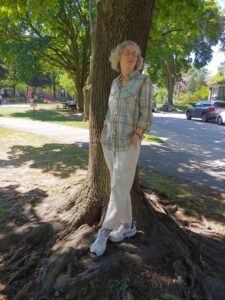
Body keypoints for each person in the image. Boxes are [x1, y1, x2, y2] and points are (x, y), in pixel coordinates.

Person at [90, 40, 153, 256]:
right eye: (127, 52)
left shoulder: (143, 81)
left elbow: (146, 113)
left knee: (117, 186)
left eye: (135, 54)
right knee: (121, 185)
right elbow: (110, 112)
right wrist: (104, 132)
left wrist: (137, 134)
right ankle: (128, 227)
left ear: (138, 60)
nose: (131, 57)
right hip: (109, 141)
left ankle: (104, 232)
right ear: (118, 56)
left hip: (129, 142)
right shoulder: (114, 83)